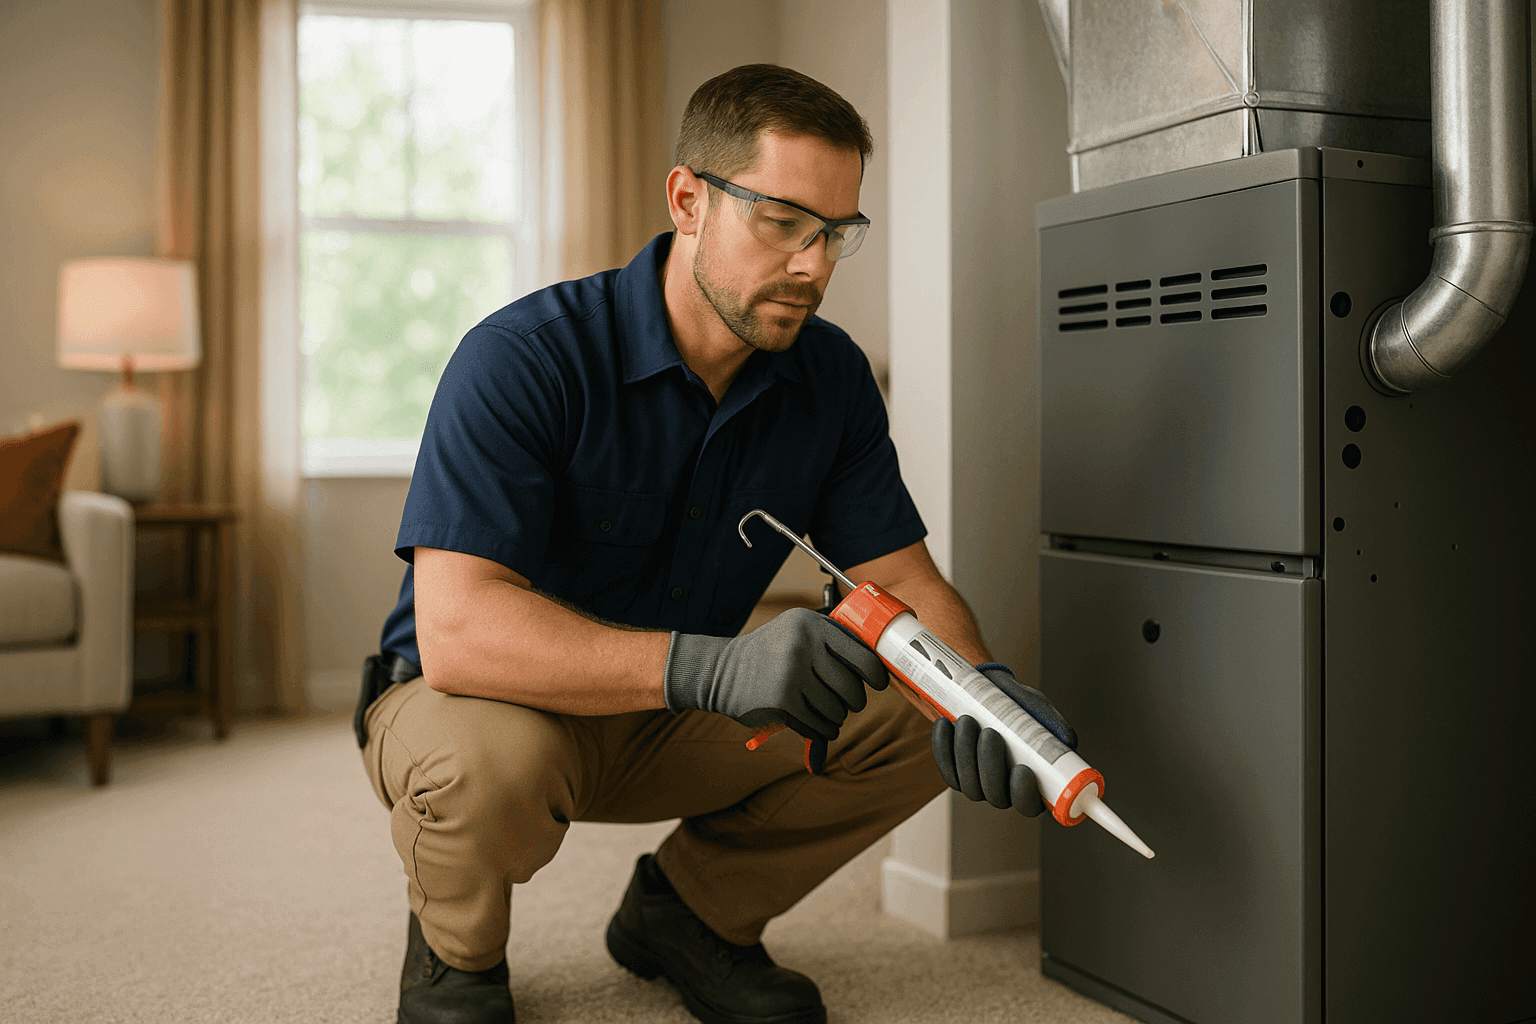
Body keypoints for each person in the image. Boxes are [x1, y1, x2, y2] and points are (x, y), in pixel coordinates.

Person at [353, 63, 1076, 1024]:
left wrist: (982, 696)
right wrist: (711, 668)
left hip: (670, 717)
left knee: (923, 709)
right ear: (689, 200)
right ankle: (458, 957)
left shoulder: (831, 379)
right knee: (488, 768)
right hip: (484, 702)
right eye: (782, 223)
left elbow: (898, 577)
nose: (814, 265)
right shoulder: (524, 358)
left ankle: (687, 916)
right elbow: (457, 633)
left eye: (835, 234)